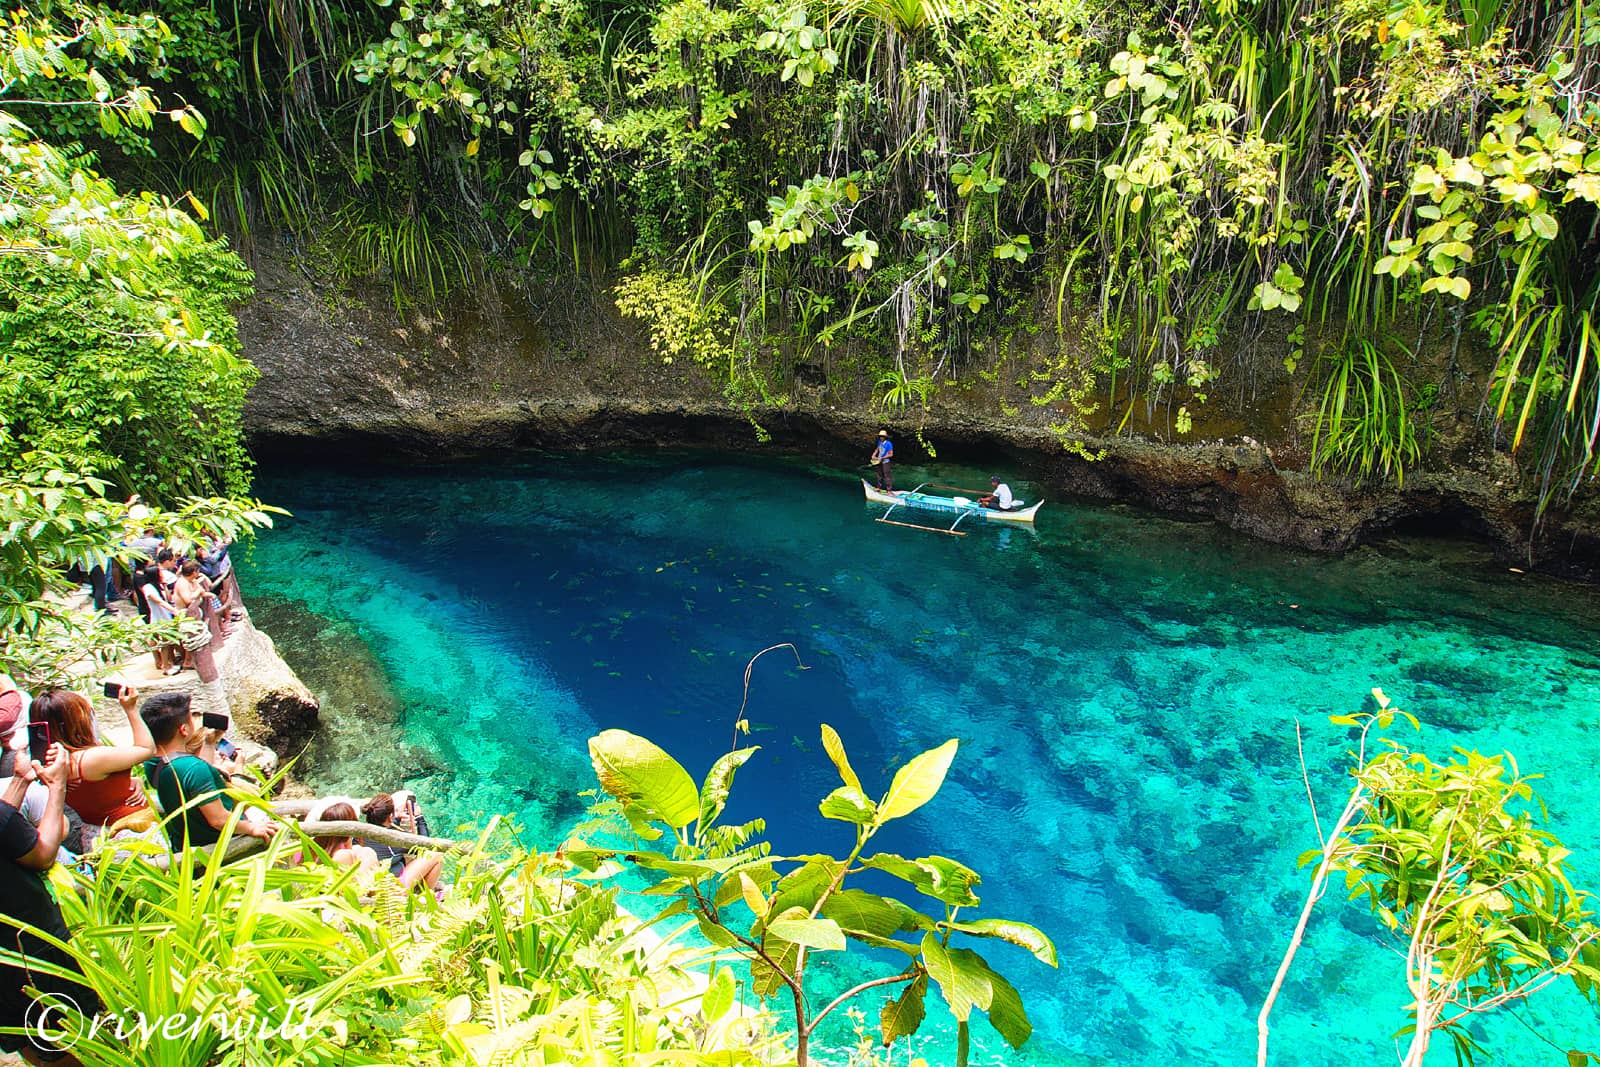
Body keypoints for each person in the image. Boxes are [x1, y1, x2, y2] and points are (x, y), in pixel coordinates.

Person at [0, 742, 97, 1067]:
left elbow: (3, 824)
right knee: (71, 1042)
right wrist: (56, 788)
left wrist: (21, 781)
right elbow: (43, 854)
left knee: (26, 1037)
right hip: (31, 950)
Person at [140, 693, 277, 852]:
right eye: (190, 717)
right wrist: (251, 828)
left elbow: (190, 780)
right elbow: (218, 819)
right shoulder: (195, 768)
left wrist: (209, 742)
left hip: (186, 845)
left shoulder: (153, 763)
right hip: (220, 847)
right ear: (183, 730)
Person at [29, 688, 155, 841]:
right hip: (131, 834)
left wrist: (130, 781)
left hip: (95, 834)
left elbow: (99, 788)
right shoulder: (90, 759)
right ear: (76, 722)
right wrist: (131, 708)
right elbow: (146, 749)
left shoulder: (52, 763)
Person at [361, 792, 444, 893]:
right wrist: (419, 818)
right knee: (435, 855)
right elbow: (425, 847)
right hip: (394, 889)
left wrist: (395, 820)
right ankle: (426, 897)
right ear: (390, 816)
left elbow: (383, 829)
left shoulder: (359, 833)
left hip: (373, 885)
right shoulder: (394, 837)